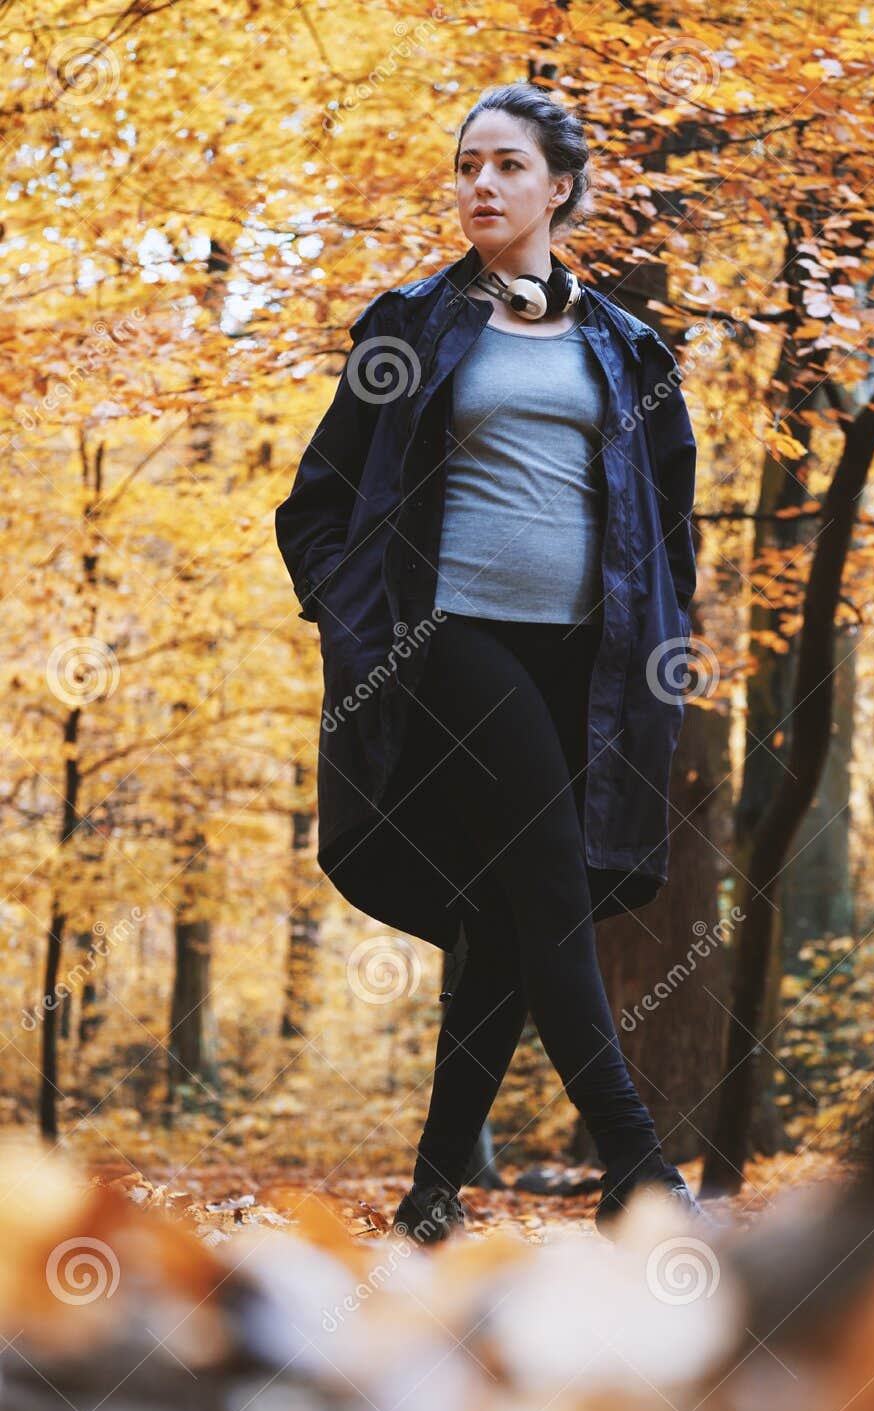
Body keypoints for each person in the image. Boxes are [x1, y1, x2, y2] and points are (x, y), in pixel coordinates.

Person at [276, 81, 708, 1245]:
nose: (480, 184)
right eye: (467, 163)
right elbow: (315, 501)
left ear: (558, 187)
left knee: (508, 920)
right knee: (552, 889)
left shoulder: (627, 348)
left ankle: (429, 1193)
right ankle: (640, 1164)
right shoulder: (411, 325)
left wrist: (669, 650)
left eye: (507, 165)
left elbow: (671, 527)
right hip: (445, 640)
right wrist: (349, 615)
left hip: (591, 662)